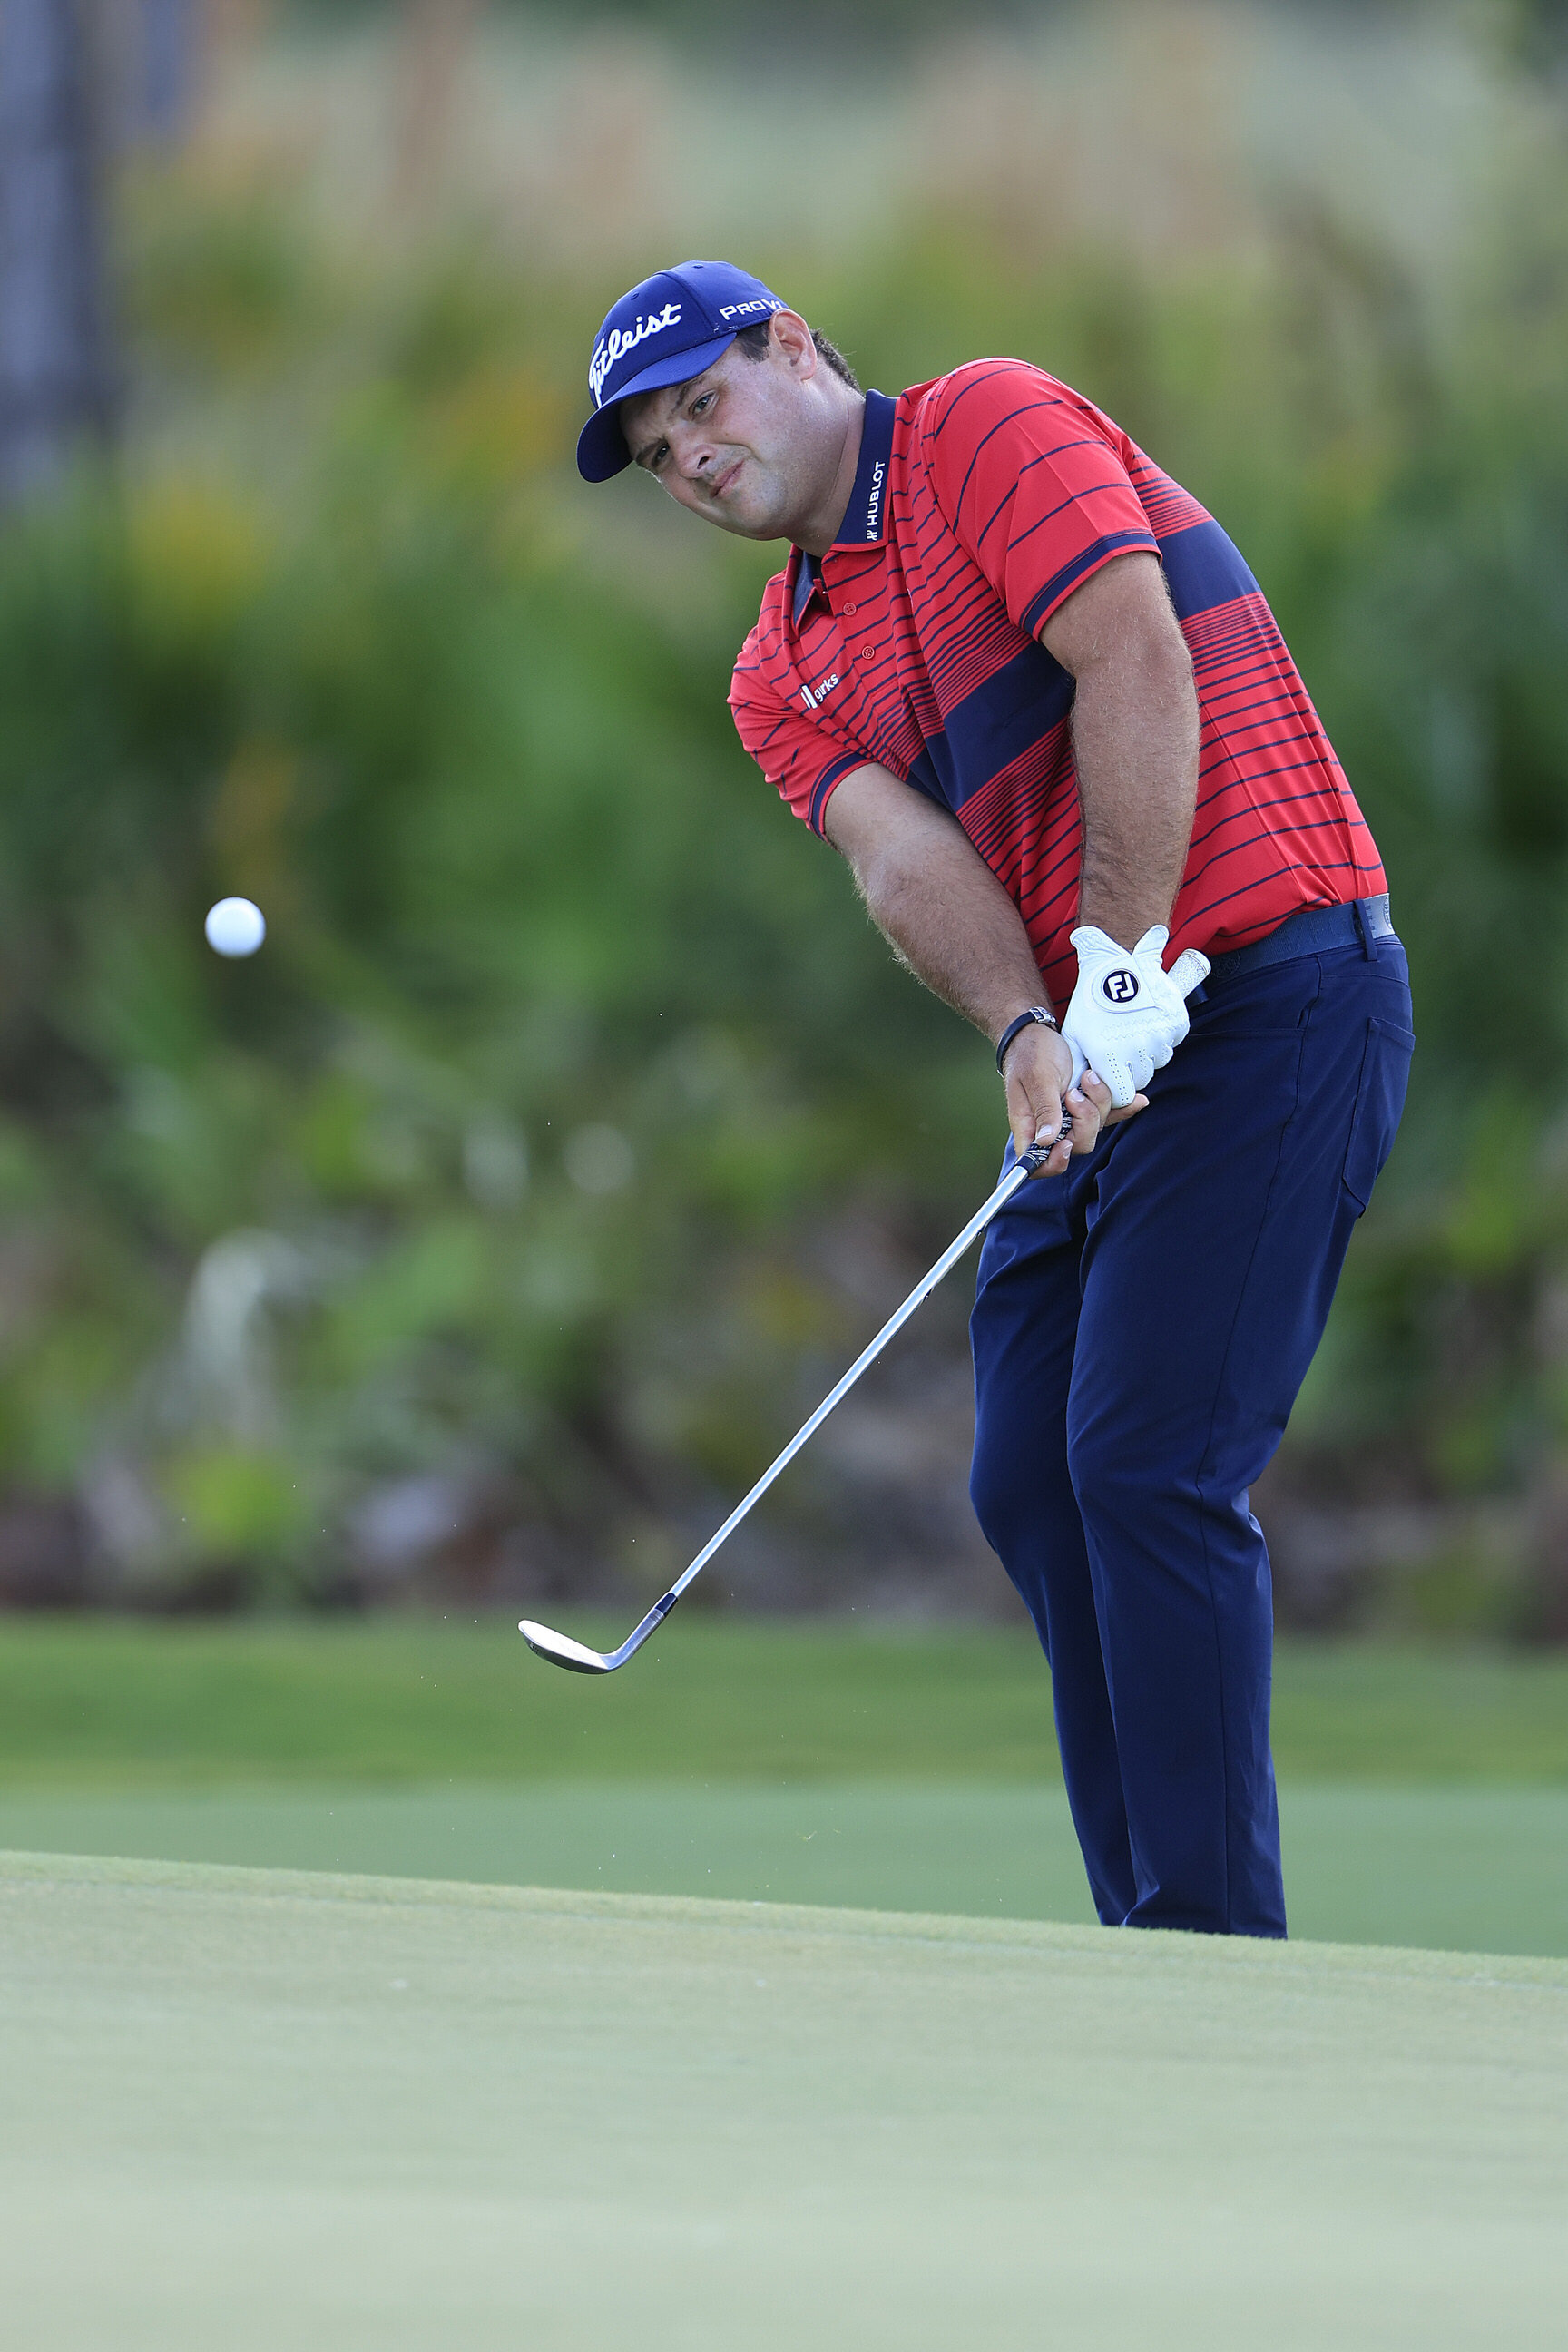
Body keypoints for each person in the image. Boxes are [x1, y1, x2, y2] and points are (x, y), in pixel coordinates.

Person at [575, 259, 1414, 1938]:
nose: (694, 458)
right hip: (1095, 1045)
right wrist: (1031, 1026)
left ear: (793, 345)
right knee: (1030, 1472)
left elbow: (1136, 660)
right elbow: (907, 862)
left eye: (705, 403)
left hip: (1274, 988)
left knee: (1147, 1461)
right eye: (663, 452)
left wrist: (1121, 958)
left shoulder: (982, 429)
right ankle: (1145, 1936)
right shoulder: (778, 669)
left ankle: (1207, 1953)